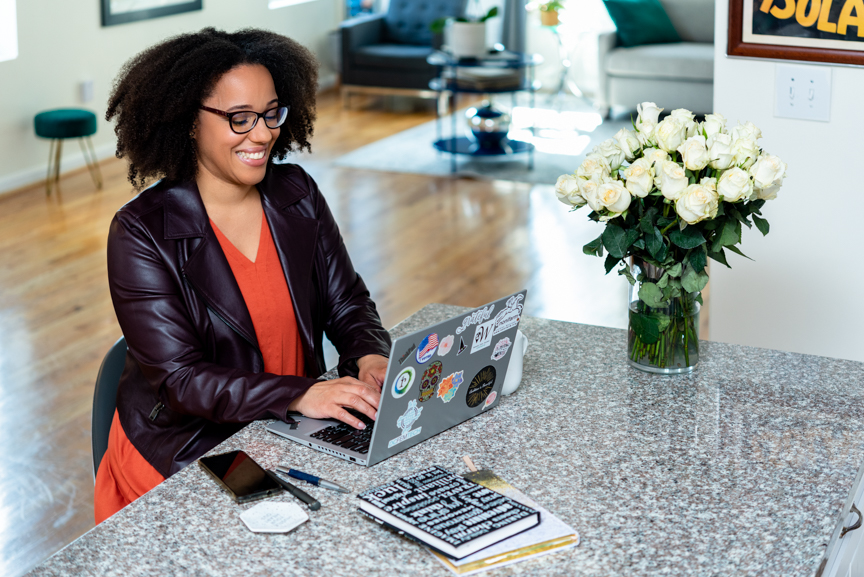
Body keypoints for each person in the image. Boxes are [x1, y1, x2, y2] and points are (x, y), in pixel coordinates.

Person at [94, 28, 392, 523]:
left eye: (272, 113)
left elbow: (347, 302)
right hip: (192, 447)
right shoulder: (140, 231)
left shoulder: (296, 192)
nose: (262, 134)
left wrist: (369, 355)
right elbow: (179, 380)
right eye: (239, 119)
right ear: (190, 122)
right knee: (274, 538)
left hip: (286, 425)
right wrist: (298, 393)